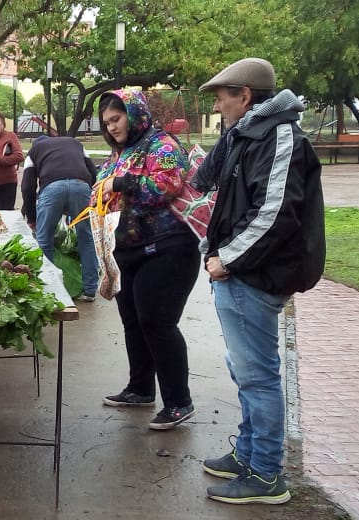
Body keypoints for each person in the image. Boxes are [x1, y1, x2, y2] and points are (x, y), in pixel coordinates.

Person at [195, 58, 324, 505]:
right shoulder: (249, 133)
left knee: (259, 378)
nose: (217, 105)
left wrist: (226, 259)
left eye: (221, 97)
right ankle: (249, 454)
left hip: (253, 274)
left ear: (245, 95)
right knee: (247, 370)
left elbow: (273, 214)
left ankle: (267, 475)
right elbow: (205, 182)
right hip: (240, 272)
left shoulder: (279, 135)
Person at [94, 89, 201, 431]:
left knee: (156, 322)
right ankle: (140, 388)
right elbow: (99, 186)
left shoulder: (162, 145)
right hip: (127, 250)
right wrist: (104, 186)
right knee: (133, 322)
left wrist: (120, 182)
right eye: (107, 122)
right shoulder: (119, 153)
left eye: (117, 119)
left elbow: (164, 186)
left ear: (134, 113)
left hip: (168, 248)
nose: (112, 127)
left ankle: (179, 402)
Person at [20, 135, 99, 302]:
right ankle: (90, 290)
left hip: (52, 188)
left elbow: (27, 186)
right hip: (81, 185)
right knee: (86, 238)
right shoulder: (76, 143)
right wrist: (85, 197)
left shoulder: (34, 150)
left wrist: (32, 219)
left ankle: (47, 289)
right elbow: (93, 172)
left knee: (44, 239)